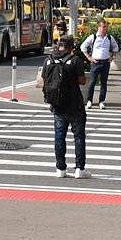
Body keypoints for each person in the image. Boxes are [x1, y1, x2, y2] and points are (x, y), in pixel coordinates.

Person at [37, 34, 89, 179]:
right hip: (75, 105)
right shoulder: (75, 60)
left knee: (59, 136)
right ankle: (80, 168)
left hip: (57, 105)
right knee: (79, 137)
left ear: (59, 45)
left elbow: (43, 79)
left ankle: (60, 168)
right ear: (71, 47)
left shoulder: (49, 60)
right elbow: (82, 81)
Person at [81, 21, 119, 109]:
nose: (104, 29)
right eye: (102, 27)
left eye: (105, 27)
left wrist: (112, 57)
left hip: (105, 62)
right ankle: (89, 100)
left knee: (104, 83)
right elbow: (83, 47)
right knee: (92, 82)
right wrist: (89, 58)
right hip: (95, 62)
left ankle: (101, 101)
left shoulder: (109, 38)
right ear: (98, 27)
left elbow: (116, 47)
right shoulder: (93, 37)